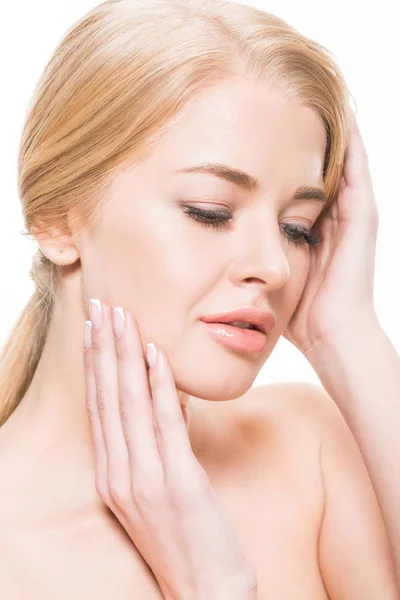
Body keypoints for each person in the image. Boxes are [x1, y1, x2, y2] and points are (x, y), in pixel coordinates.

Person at [0, 0, 399, 598]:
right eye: (210, 212)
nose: (274, 265)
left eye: (299, 227)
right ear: (57, 221)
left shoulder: (308, 449)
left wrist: (347, 332)